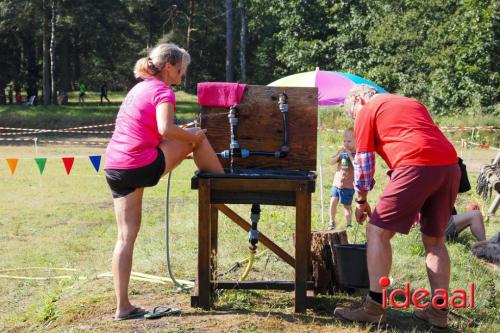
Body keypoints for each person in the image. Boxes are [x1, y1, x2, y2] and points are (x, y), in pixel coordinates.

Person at [104, 43, 224, 320]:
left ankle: (122, 307)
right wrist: (192, 136)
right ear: (169, 67)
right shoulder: (163, 91)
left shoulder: (139, 88)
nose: (184, 71)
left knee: (125, 236)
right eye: (182, 66)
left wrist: (179, 135)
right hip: (139, 164)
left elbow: (151, 132)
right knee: (199, 138)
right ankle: (223, 184)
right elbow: (165, 129)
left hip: (115, 166)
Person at [334, 84, 460, 331]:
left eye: (352, 113)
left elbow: (364, 164)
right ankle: (438, 311)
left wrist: (360, 201)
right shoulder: (411, 103)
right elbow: (417, 140)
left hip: (416, 164)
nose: (354, 118)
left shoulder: (368, 109)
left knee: (376, 232)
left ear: (359, 99)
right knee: (435, 241)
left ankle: (374, 307)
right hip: (450, 165)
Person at [328, 128, 356, 229]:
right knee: (332, 202)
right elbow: (330, 161)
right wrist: (339, 154)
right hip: (337, 184)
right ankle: (331, 221)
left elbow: (356, 165)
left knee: (346, 206)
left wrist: (349, 154)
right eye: (344, 141)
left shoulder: (356, 154)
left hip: (348, 186)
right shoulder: (341, 152)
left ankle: (349, 224)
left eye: (349, 141)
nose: (346, 143)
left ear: (356, 141)